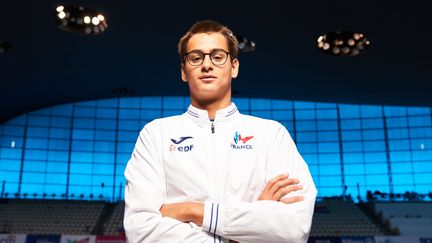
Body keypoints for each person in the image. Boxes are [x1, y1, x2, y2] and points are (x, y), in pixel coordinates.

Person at [123, 20, 317, 243]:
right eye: (196, 58)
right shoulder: (156, 134)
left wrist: (192, 210)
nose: (207, 65)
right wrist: (249, 223)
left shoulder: (271, 135)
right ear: (183, 71)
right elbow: (141, 232)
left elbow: (294, 229)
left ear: (234, 67)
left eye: (217, 56)